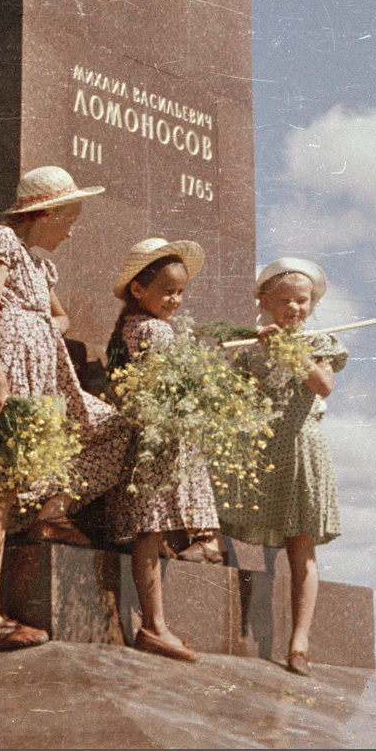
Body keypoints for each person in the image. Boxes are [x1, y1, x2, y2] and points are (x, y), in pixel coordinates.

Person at [0, 166, 135, 651]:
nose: (72, 229)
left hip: (44, 375)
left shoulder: (39, 266)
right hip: (11, 373)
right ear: (45, 213)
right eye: (69, 218)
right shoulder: (0, 240)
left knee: (111, 428)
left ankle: (53, 512)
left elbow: (59, 315)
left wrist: (43, 329)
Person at [215, 257, 347, 675]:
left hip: (302, 448)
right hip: (263, 448)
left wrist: (290, 352)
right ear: (266, 301)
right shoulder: (251, 350)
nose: (294, 308)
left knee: (301, 547)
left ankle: (299, 643)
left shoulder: (319, 342)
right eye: (285, 300)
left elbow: (323, 384)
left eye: (302, 301)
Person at [104, 237, 222, 663]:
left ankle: (156, 621)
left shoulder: (127, 328)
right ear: (139, 290)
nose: (176, 300)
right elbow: (174, 381)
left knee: (152, 531)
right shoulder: (153, 329)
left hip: (148, 437)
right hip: (157, 441)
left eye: (181, 292)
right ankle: (154, 626)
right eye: (168, 291)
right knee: (150, 531)